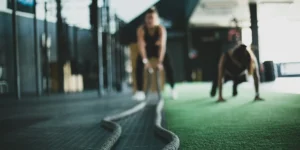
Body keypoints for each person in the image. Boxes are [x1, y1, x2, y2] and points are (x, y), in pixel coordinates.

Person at [132, 7, 177, 101]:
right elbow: (141, 46)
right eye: (148, 18)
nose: (150, 20)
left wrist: (160, 62)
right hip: (147, 50)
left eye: (152, 18)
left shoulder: (161, 29)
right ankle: (140, 92)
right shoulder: (141, 30)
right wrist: (145, 61)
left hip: (158, 50)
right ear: (145, 19)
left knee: (168, 63)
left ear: (156, 19)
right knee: (138, 63)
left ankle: (173, 88)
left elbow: (162, 46)